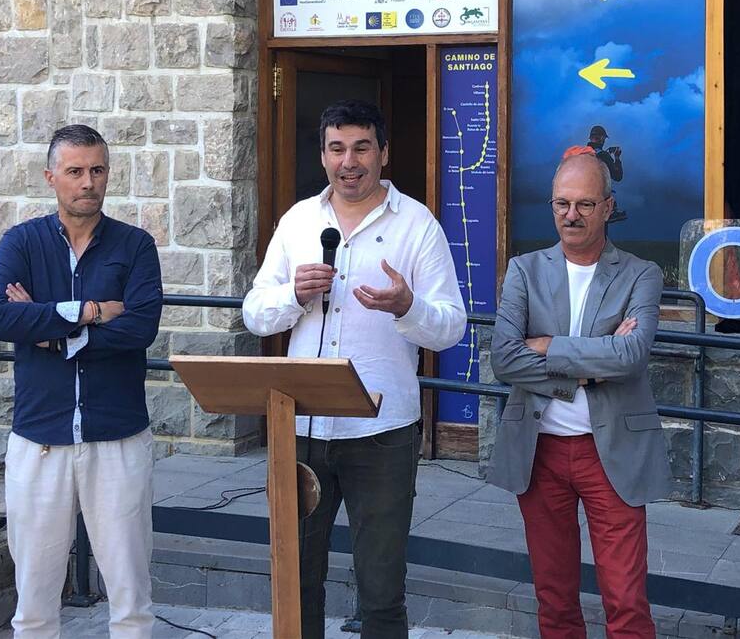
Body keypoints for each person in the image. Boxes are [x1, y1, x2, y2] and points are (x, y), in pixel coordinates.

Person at [242, 99, 466, 639]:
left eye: (362, 148)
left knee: (382, 589)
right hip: (300, 427)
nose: (349, 162)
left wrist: (407, 306)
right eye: (337, 148)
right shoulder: (298, 220)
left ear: (383, 153)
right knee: (297, 577)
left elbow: (451, 327)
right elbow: (254, 312)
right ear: (322, 156)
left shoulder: (418, 224)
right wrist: (293, 296)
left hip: (382, 432)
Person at [0, 124, 163, 639]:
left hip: (117, 436)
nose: (88, 182)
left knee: (131, 599)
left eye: (97, 170)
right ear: (51, 177)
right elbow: (0, 317)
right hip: (41, 437)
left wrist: (48, 331)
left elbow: (140, 328)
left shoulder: (135, 246)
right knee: (34, 602)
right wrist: (89, 311)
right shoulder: (21, 242)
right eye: (75, 171)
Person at [488, 153, 669, 639]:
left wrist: (548, 345)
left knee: (626, 601)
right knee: (554, 597)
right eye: (562, 204)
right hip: (539, 451)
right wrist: (585, 373)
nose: (571, 215)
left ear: (608, 207)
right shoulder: (525, 270)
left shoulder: (641, 274)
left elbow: (630, 356)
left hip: (612, 454)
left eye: (585, 204)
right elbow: (504, 359)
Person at [587, 126, 627, 223]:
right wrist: (617, 157)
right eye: (604, 138)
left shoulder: (583, 154)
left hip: (585, 199)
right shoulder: (603, 155)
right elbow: (617, 176)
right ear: (602, 138)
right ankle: (612, 211)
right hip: (600, 201)